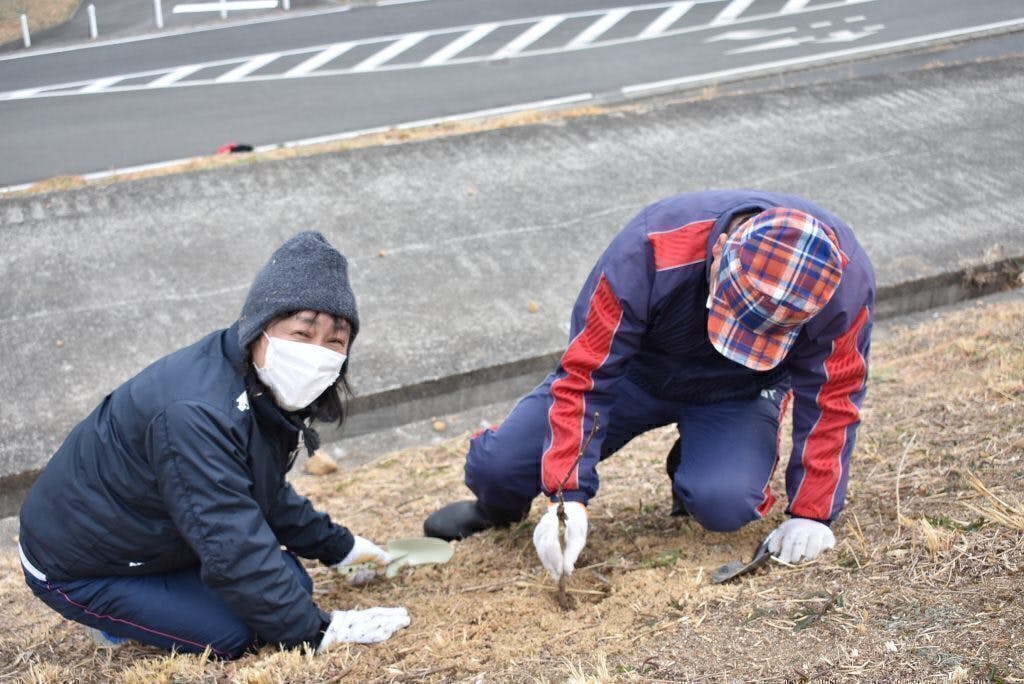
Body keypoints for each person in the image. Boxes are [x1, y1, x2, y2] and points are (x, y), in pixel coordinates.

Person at [425, 189, 875, 581]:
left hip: (739, 391)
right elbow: (586, 375)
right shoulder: (651, 247)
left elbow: (833, 394)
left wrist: (812, 513)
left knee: (726, 501)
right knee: (499, 468)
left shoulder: (840, 282)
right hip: (634, 374)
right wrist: (567, 496)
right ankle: (499, 509)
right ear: (719, 251)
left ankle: (694, 467)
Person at [18, 231, 410, 658]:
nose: (318, 353)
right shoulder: (196, 411)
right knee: (232, 636)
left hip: (156, 534)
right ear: (260, 327)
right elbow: (230, 540)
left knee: (293, 586)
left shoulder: (258, 386)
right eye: (302, 332)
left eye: (334, 341)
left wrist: (341, 548)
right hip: (81, 564)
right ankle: (115, 617)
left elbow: (262, 492)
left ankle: (166, 602)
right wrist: (316, 632)